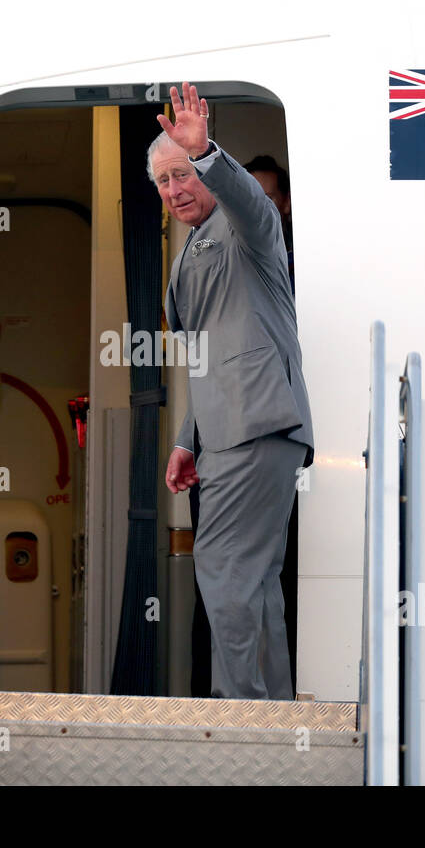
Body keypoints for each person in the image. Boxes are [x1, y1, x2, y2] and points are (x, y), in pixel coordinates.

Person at [152, 83, 314, 700]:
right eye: (165, 181)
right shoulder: (188, 248)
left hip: (255, 424)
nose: (176, 189)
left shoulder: (246, 227)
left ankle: (240, 714)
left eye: (184, 174)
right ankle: (272, 716)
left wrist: (207, 153)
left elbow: (254, 206)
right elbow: (208, 356)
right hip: (226, 433)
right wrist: (187, 440)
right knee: (255, 579)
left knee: (222, 569)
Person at [244, 154, 294, 292]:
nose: (256, 209)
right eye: (248, 200)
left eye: (267, 200)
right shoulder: (227, 257)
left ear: (287, 202)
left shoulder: (305, 258)